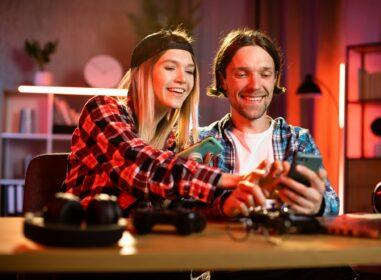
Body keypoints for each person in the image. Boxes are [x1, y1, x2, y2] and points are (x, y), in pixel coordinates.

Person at [62, 28, 268, 217]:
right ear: (141, 73)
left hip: (145, 248)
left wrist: (227, 202)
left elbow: (184, 205)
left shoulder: (175, 142)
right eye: (170, 68)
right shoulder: (102, 109)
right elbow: (138, 164)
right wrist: (233, 179)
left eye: (189, 71)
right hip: (89, 243)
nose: (182, 79)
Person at [199, 28, 339, 218]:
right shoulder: (201, 141)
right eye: (242, 74)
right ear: (223, 79)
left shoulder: (298, 139)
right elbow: (178, 206)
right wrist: (223, 206)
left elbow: (332, 202)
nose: (255, 85)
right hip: (221, 247)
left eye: (265, 74)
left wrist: (319, 205)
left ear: (275, 79)